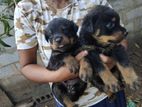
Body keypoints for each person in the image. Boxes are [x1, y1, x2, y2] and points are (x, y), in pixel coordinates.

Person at [14, 0, 128, 107]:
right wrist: (59, 76)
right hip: (66, 95)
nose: (58, 39)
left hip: (109, 92)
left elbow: (120, 39)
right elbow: (26, 66)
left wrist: (113, 58)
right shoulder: (26, 8)